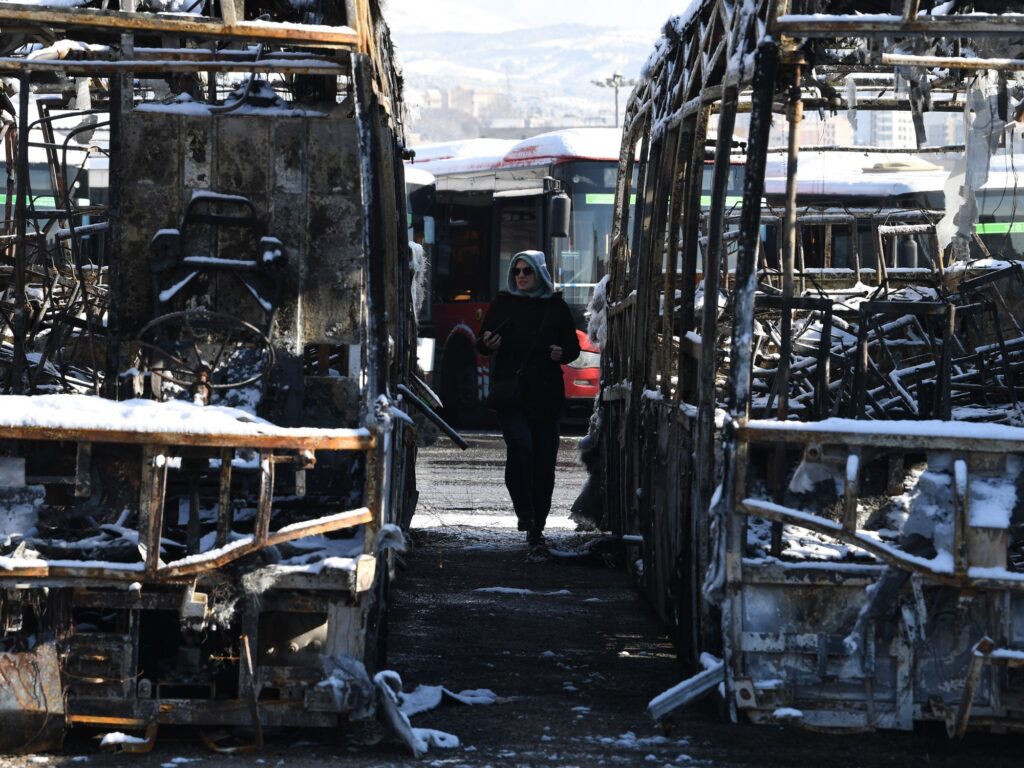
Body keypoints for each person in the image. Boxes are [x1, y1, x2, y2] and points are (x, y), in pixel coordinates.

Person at [477, 250, 581, 556]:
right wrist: (487, 343)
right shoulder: (504, 304)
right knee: (521, 448)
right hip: (513, 396)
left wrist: (562, 353)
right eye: (517, 271)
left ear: (540, 274)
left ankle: (538, 527)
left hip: (546, 398)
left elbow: (573, 347)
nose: (521, 276)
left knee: (544, 464)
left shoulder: (556, 307)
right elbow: (481, 342)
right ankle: (525, 512)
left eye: (527, 271)